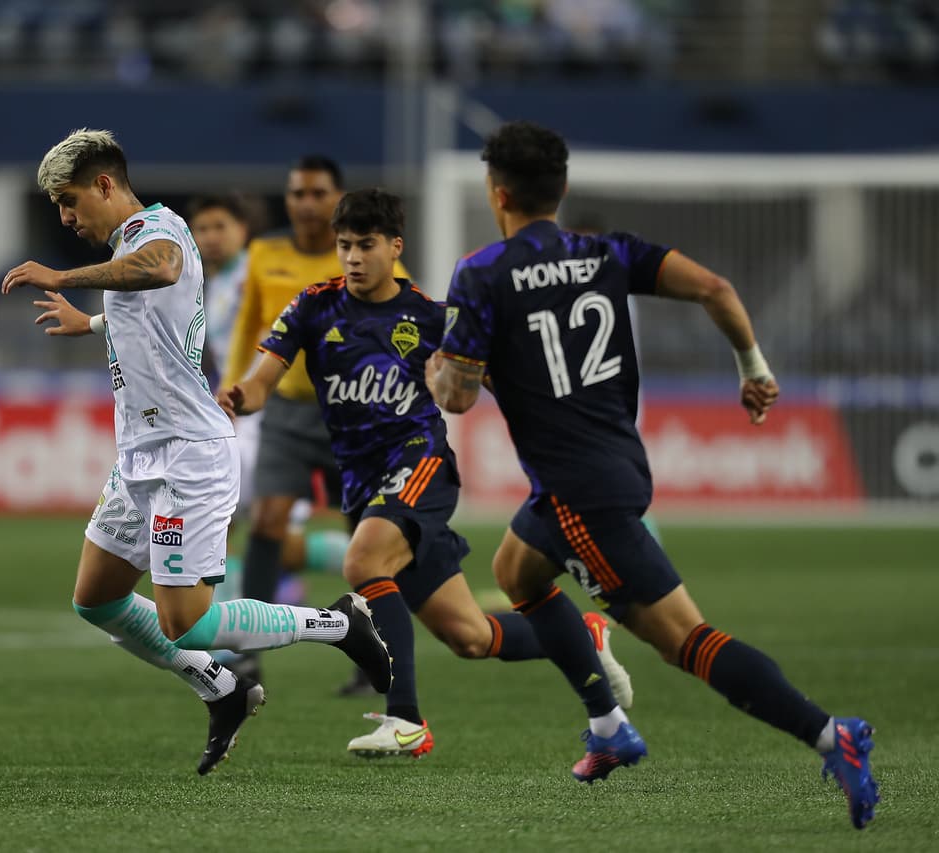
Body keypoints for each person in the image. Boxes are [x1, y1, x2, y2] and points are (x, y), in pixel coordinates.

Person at [426, 120, 879, 829]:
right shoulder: (607, 253)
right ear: (563, 188)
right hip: (606, 467)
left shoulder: (484, 271)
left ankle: (830, 733)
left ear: (497, 192)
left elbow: (455, 395)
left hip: (581, 493)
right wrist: (754, 369)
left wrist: (436, 363)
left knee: (685, 641)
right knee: (517, 570)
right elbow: (715, 288)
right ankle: (608, 726)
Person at [0, 128, 391, 776]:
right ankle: (225, 689)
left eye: (70, 201)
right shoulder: (126, 247)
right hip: (139, 458)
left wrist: (63, 276)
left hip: (188, 454)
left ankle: (341, 624)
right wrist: (90, 321)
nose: (66, 217)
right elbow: (147, 310)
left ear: (104, 184)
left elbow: (163, 270)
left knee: (189, 623)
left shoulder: (164, 231)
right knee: (96, 598)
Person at [219, 188, 632, 758]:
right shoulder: (313, 304)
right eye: (345, 246)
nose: (354, 257)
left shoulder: (431, 318)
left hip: (420, 465)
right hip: (365, 485)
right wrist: (239, 396)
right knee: (470, 636)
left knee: (361, 560)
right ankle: (581, 638)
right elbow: (264, 379)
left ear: (395, 247)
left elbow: (500, 383)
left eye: (366, 245)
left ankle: (405, 720)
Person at [220, 156, 408, 692]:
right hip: (285, 410)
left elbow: (408, 324)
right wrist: (237, 385)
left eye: (316, 193)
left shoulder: (363, 255)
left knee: (362, 540)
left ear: (337, 198)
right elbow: (248, 329)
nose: (305, 203)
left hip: (355, 417)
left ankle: (376, 660)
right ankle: (248, 652)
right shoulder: (265, 253)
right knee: (267, 521)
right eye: (296, 192)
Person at [187, 194, 350, 602]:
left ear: (244, 231)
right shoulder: (212, 282)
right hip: (236, 416)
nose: (209, 237)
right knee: (218, 522)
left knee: (265, 535)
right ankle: (229, 628)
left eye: (219, 227)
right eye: (201, 229)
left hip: (268, 415)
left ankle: (385, 563)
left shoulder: (252, 272)